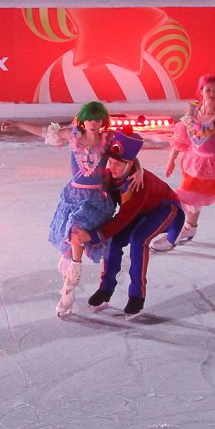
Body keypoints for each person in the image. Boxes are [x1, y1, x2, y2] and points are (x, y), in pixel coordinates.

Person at [1, 102, 143, 317]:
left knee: (76, 230)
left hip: (97, 199)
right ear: (83, 120)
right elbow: (43, 132)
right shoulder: (73, 135)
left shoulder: (109, 139)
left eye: (98, 119)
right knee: (70, 235)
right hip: (73, 196)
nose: (94, 124)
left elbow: (129, 154)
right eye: (90, 119)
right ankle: (70, 271)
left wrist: (139, 170)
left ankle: (69, 285)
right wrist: (18, 123)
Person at [72, 129, 184, 316]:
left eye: (118, 164)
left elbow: (123, 219)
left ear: (129, 164)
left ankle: (136, 296)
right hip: (140, 212)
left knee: (139, 240)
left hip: (164, 207)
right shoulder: (112, 175)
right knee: (113, 241)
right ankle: (105, 289)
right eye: (111, 163)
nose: (112, 168)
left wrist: (91, 235)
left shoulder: (136, 185)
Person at [152, 75, 215, 251]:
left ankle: (173, 235)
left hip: (210, 167)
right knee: (193, 199)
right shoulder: (193, 112)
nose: (212, 93)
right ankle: (189, 229)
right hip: (193, 161)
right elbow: (181, 138)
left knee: (183, 197)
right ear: (201, 91)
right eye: (208, 90)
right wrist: (171, 160)